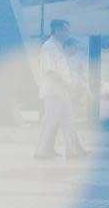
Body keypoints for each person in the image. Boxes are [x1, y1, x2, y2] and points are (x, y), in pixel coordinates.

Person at [34, 19, 88, 160]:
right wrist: (66, 84)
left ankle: (72, 151)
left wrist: (68, 86)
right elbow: (51, 71)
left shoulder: (58, 47)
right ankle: (41, 151)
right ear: (57, 30)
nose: (68, 33)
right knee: (50, 121)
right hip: (53, 91)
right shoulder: (48, 47)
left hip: (62, 91)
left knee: (68, 120)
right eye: (66, 30)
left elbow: (63, 69)